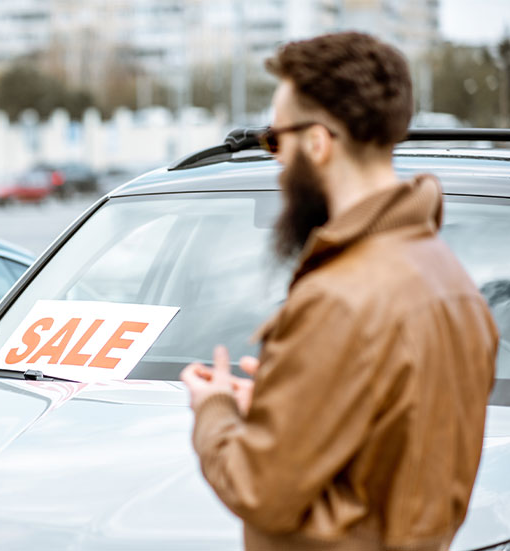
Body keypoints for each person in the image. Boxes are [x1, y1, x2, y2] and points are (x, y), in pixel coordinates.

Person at [180, 32, 498, 550]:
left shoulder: (339, 298)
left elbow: (261, 487)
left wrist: (215, 409)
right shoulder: (451, 281)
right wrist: (285, 394)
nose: (276, 162)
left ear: (318, 143)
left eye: (275, 140)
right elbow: (389, 452)